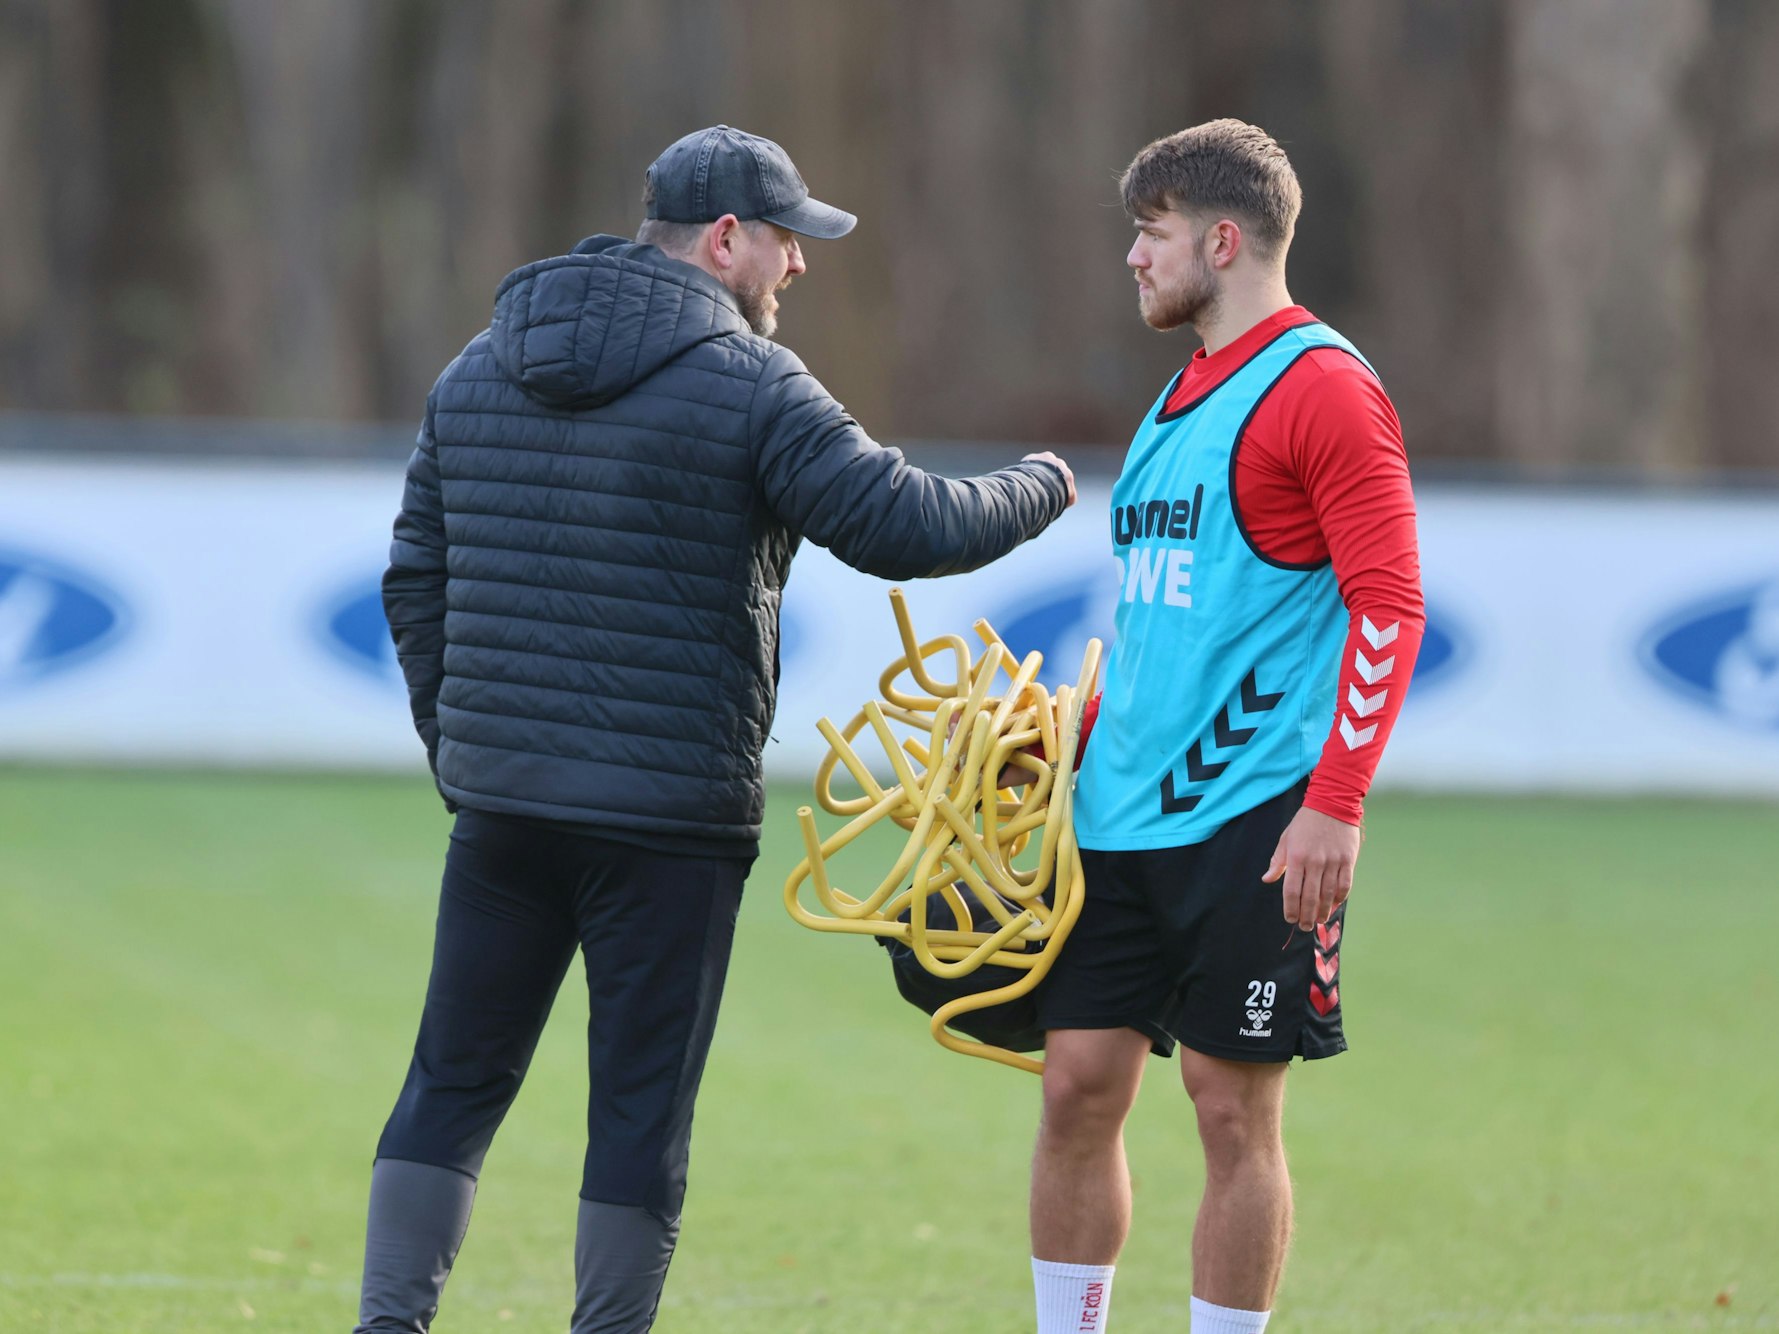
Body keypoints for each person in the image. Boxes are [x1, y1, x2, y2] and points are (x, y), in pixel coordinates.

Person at [354, 124, 1075, 1334]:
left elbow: (413, 575)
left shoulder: (477, 364)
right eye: (787, 240)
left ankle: (387, 1324)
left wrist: (465, 748)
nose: (798, 267)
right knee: (639, 1112)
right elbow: (903, 525)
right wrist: (1044, 485)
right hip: (669, 820)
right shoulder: (749, 381)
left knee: (452, 1082)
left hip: (505, 806)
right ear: (728, 238)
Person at [1026, 120, 1423, 1334]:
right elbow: (1164, 622)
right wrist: (1070, 732)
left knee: (1228, 1107)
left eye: (1150, 235)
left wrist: (1336, 800)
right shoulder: (1173, 401)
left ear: (1223, 236)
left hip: (1255, 811)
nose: (1136, 260)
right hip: (1119, 808)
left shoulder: (1323, 387)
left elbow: (1389, 602)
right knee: (1077, 1088)